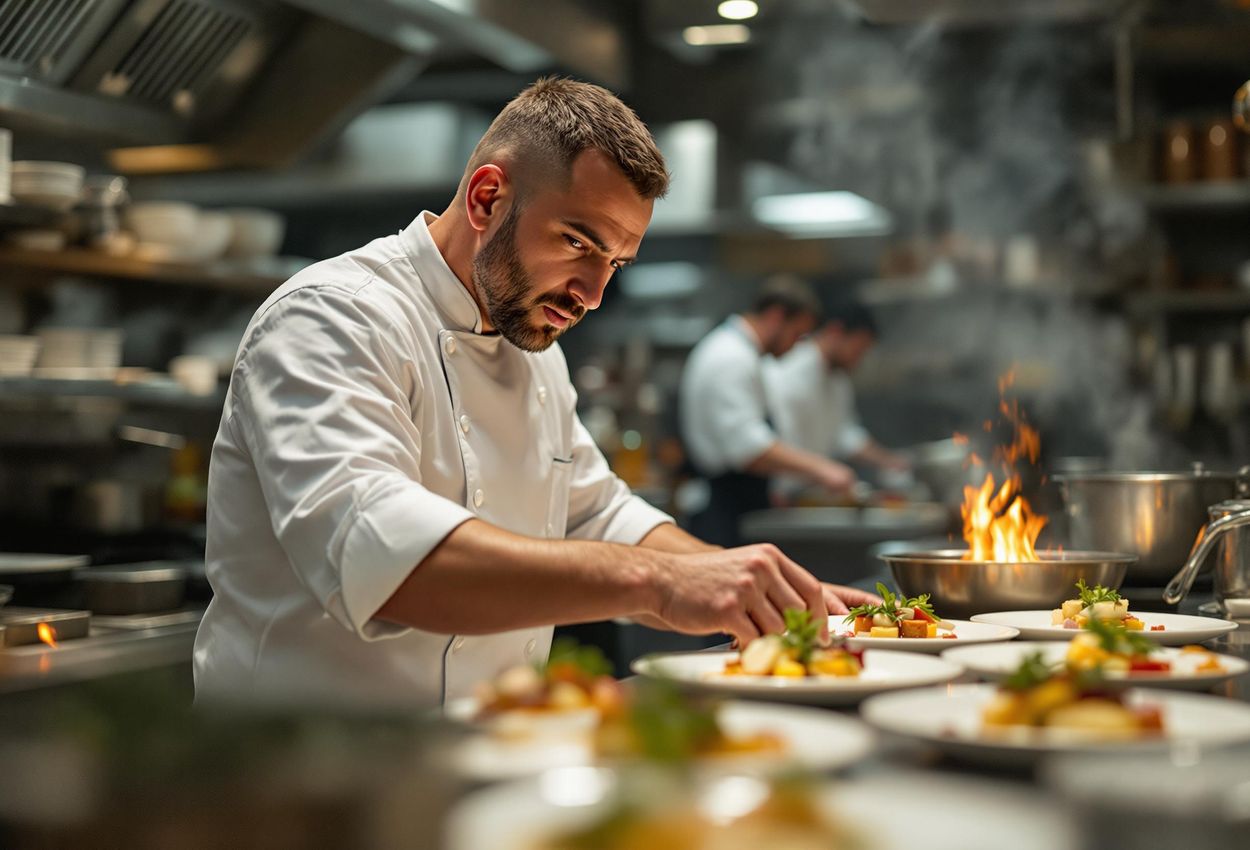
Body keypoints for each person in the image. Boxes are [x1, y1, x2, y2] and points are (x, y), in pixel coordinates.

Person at [194, 79, 876, 710]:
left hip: (486, 750)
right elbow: (388, 561)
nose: (594, 295)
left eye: (614, 262)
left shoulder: (532, 347)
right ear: (487, 198)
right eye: (578, 242)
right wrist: (661, 585)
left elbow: (595, 514)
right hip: (305, 779)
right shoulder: (333, 317)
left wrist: (769, 592)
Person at [678, 276, 857, 548]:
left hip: (736, 503)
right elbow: (748, 449)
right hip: (722, 510)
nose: (796, 346)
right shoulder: (731, 358)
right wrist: (823, 470)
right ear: (775, 317)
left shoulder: (741, 354)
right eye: (796, 334)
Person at [764, 299, 909, 502]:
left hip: (812, 493)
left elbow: (845, 435)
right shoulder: (789, 370)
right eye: (858, 350)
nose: (858, 360)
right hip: (782, 493)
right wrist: (825, 471)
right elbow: (777, 443)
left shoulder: (838, 381)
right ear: (836, 332)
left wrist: (888, 460)